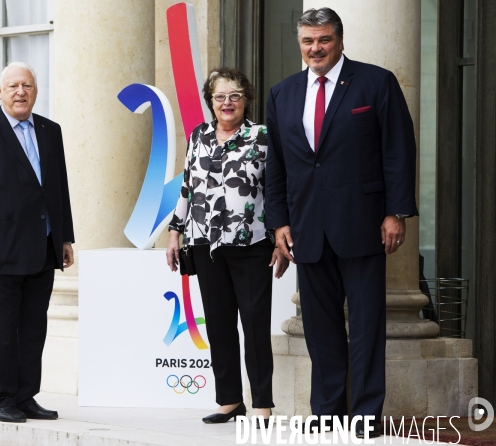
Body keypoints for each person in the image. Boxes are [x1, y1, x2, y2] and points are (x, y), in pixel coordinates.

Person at [264, 8, 418, 438]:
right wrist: (278, 224)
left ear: (340, 39)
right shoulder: (283, 93)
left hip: (364, 224)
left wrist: (396, 212)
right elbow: (276, 166)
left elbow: (398, 150)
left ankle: (366, 418)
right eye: (308, 41)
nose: (316, 48)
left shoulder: (376, 82)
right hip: (306, 229)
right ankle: (327, 415)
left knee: (367, 327)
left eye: (324, 40)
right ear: (300, 43)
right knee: (320, 329)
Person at [166, 68, 289, 427]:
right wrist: (175, 233)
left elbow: (278, 189)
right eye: (220, 96)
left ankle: (262, 405)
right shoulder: (199, 136)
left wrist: (281, 238)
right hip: (205, 244)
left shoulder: (262, 137)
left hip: (252, 244)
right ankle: (230, 401)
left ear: (245, 99)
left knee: (254, 325)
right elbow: (188, 188)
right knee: (218, 325)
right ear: (211, 101)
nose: (227, 102)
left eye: (234, 95)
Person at [0, 62, 75, 423]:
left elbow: (59, 188)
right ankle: (2, 398)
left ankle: (26, 396)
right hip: (2, 250)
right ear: (0, 91)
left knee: (33, 327)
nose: (20, 92)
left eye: (26, 85)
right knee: (1, 328)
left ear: (36, 91)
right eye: (12, 86)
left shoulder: (50, 130)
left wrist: (65, 236)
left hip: (43, 248)